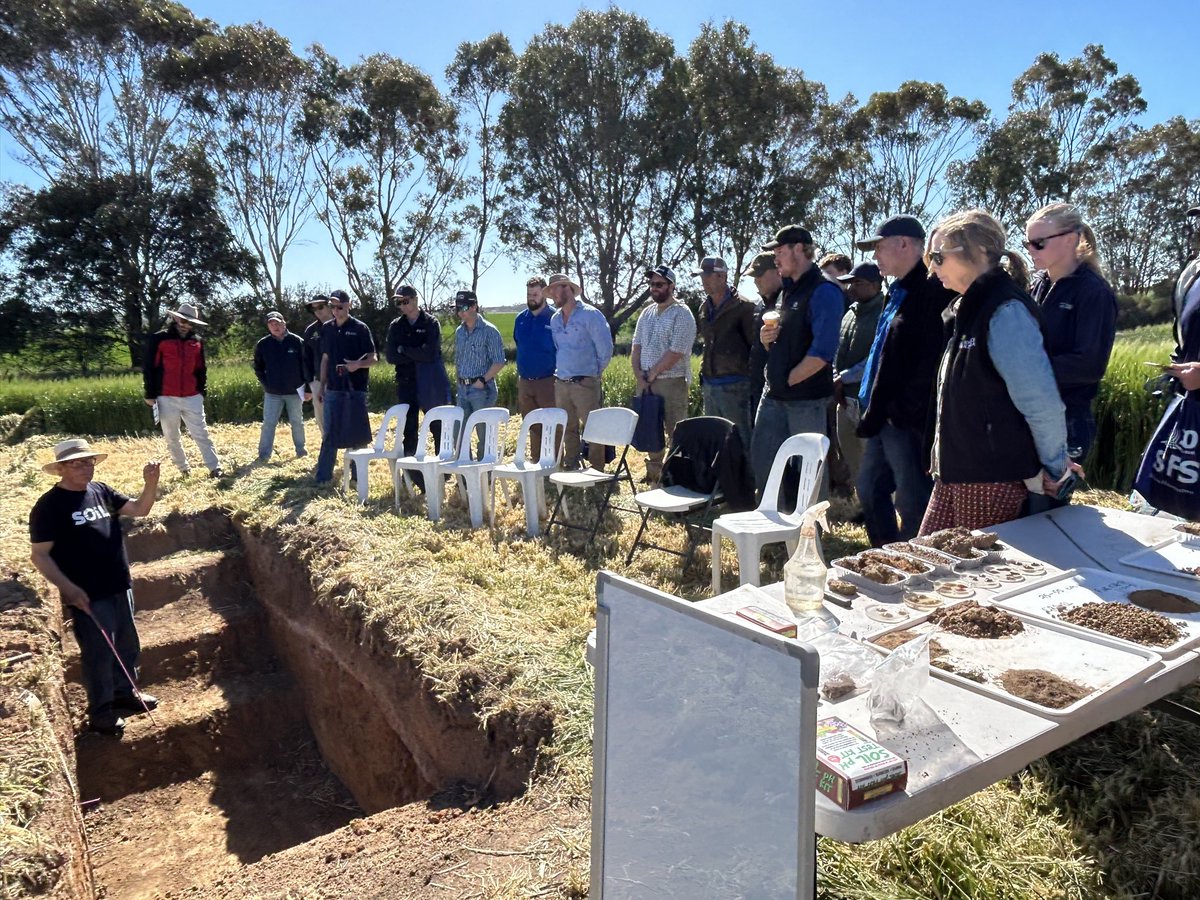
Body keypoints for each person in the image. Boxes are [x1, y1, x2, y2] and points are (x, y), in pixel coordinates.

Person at [921, 209, 1075, 533]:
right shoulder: (967, 308)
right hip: (955, 474)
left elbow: (1040, 402)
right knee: (926, 561)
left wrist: (1056, 469)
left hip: (990, 479)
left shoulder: (1006, 310)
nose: (932, 269)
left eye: (937, 257)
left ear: (978, 252)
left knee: (979, 566)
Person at [30, 439, 161, 735]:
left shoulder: (101, 491)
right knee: (99, 652)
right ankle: (101, 712)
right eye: (76, 463)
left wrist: (150, 483)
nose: (85, 468)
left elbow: (140, 509)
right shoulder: (49, 506)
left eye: (88, 461)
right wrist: (68, 588)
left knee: (127, 643)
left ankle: (125, 693)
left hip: (119, 584)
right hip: (88, 594)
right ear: (61, 469)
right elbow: (40, 555)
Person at [854, 215, 955, 545]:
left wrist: (904, 408)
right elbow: (885, 352)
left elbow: (930, 359)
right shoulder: (896, 290)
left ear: (904, 244)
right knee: (869, 487)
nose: (875, 256)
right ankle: (885, 553)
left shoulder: (934, 290)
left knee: (913, 501)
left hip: (906, 420)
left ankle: (920, 562)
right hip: (882, 414)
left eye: (879, 247)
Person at [751, 225, 843, 497]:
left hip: (806, 401)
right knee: (764, 463)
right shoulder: (786, 290)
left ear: (800, 249)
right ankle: (772, 521)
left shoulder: (825, 290)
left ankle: (812, 524)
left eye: (780, 251)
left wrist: (788, 380)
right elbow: (785, 340)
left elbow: (822, 353)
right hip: (773, 396)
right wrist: (766, 338)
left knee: (809, 473)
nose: (776, 259)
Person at [1025, 202, 1118, 467]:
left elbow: (1089, 365)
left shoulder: (1094, 292)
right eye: (1027, 243)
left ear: (1070, 240)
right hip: (1031, 412)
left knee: (1050, 495)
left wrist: (1025, 371)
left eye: (1039, 243)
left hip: (1068, 419)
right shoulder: (1037, 285)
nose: (1031, 250)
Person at [632, 265, 698, 484]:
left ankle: (677, 476)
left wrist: (652, 373)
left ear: (671, 286)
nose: (654, 288)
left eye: (659, 284)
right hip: (646, 381)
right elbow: (636, 346)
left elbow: (677, 351)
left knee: (675, 430)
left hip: (672, 382)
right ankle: (654, 474)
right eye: (652, 284)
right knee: (650, 428)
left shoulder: (682, 313)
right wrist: (639, 375)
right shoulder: (646, 313)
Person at [143, 303, 222, 477]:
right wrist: (150, 394)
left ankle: (215, 468)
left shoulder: (197, 341)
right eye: (185, 321)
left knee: (201, 433)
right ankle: (184, 469)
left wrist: (201, 392)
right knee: (172, 436)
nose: (187, 325)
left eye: (191, 322)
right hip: (165, 396)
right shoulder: (158, 339)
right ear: (176, 318)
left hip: (192, 396)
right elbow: (149, 367)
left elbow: (201, 369)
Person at [383, 285, 451, 490]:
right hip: (406, 383)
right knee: (409, 430)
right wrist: (416, 352)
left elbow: (430, 354)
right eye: (399, 303)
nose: (402, 306)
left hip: (430, 383)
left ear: (415, 299)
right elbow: (391, 356)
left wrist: (404, 349)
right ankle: (413, 477)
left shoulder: (430, 323)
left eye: (405, 301)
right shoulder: (396, 326)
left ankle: (443, 472)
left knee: (437, 427)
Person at [548, 272, 613, 470]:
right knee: (568, 427)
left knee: (593, 427)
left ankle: (596, 470)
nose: (553, 295)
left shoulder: (590, 315)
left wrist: (592, 373)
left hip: (585, 382)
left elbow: (605, 349)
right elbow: (559, 348)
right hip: (562, 382)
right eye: (551, 292)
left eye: (555, 290)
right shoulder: (555, 319)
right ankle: (571, 466)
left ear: (567, 289)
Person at [314, 290, 377, 485]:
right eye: (332, 307)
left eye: (339, 306)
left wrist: (357, 365)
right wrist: (322, 386)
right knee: (330, 433)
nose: (336, 310)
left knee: (357, 434)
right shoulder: (327, 328)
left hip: (355, 389)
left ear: (348, 305)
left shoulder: (360, 328)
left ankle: (358, 478)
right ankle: (323, 478)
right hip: (333, 388)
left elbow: (373, 358)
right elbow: (325, 359)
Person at [695, 256, 756, 452]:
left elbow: (755, 347)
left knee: (741, 440)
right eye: (702, 276)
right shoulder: (704, 307)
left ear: (722, 276)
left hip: (736, 385)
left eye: (708, 276)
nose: (704, 280)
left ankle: (747, 473)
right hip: (710, 384)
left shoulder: (744, 307)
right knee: (716, 440)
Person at [832, 263, 886, 488]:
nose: (851, 288)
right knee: (852, 458)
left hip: (869, 402)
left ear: (875, 285)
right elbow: (837, 351)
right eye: (850, 283)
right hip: (844, 400)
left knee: (874, 463)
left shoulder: (885, 312)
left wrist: (843, 378)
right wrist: (836, 376)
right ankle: (862, 501)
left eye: (858, 283)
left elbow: (878, 356)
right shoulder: (850, 313)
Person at [253, 311, 309, 462]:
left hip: (295, 391)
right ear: (268, 327)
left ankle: (301, 451)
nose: (275, 326)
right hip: (272, 393)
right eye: (271, 324)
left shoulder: (297, 342)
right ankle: (264, 455)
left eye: (277, 323)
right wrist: (266, 384)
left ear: (284, 323)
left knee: (297, 422)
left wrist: (307, 387)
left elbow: (306, 366)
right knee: (269, 423)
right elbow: (258, 367)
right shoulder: (263, 344)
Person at [513, 276, 557, 454]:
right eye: (529, 294)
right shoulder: (520, 319)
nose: (531, 298)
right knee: (532, 425)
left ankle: (554, 464)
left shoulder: (555, 318)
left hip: (549, 382)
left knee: (552, 427)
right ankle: (536, 462)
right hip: (525, 382)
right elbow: (519, 344)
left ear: (544, 294)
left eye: (535, 294)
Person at [453, 290, 506, 423]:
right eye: (458, 308)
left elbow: (499, 361)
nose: (460, 312)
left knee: (483, 431)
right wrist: (458, 381)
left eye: (464, 308)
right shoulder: (459, 332)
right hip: (462, 389)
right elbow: (458, 359)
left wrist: (482, 381)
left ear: (474, 306)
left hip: (481, 390)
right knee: (458, 431)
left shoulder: (490, 331)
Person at [747, 251, 782, 419]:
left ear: (778, 272)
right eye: (754, 276)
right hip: (758, 386)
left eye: (760, 274)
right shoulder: (759, 306)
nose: (756, 280)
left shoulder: (788, 304)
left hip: (780, 390)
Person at [301, 294, 334, 436]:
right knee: (321, 415)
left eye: (320, 307)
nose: (317, 311)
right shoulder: (310, 330)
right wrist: (309, 383)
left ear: (329, 306)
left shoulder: (342, 325)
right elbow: (306, 358)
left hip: (341, 379)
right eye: (313, 309)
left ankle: (349, 447)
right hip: (318, 380)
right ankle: (327, 444)